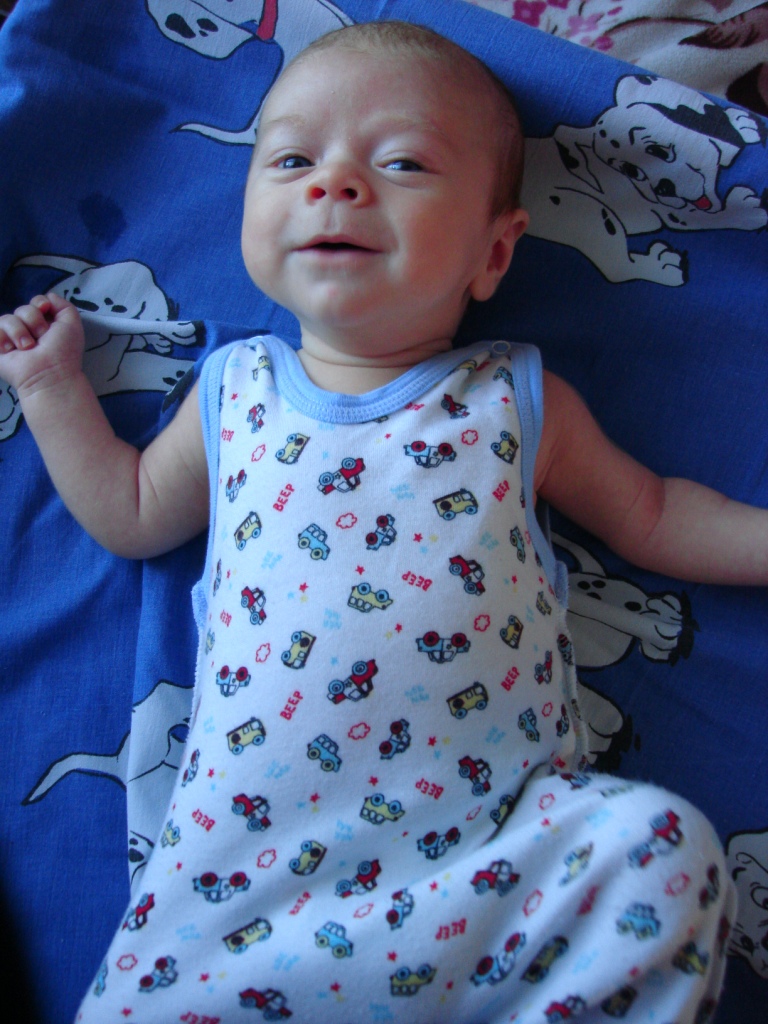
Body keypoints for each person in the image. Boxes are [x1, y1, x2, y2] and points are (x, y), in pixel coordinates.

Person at [0, 20, 764, 1024]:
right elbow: (132, 511)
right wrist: (52, 391)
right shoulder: (235, 393)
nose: (337, 183)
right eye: (292, 161)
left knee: (663, 854)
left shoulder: (512, 399)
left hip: (495, 863)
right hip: (242, 893)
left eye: (402, 162)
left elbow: (655, 515)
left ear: (494, 251)